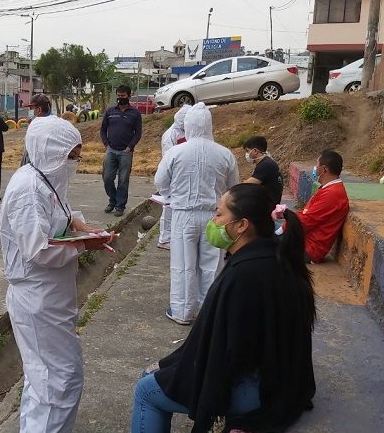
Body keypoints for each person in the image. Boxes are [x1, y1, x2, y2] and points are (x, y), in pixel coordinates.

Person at [131, 183, 317, 433]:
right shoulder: (276, 256)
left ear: (242, 225)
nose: (213, 221)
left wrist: (190, 381)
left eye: (219, 214)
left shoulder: (245, 275)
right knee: (157, 374)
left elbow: (226, 353)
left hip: (258, 389)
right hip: (283, 379)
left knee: (146, 390)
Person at [0, 115, 113, 433]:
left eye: (77, 156)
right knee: (59, 380)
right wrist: (84, 244)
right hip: (38, 295)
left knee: (44, 380)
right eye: (71, 157)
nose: (75, 163)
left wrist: (76, 223)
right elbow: (37, 250)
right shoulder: (28, 190)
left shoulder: (43, 177)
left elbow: (57, 209)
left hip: (50, 295)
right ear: (50, 151)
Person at [155, 102, 239, 325]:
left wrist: (171, 195)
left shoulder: (175, 151)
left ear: (188, 125)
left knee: (183, 264)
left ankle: (182, 311)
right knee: (212, 265)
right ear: (210, 125)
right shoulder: (225, 154)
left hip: (183, 213)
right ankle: (208, 313)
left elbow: (161, 181)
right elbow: (233, 187)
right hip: (215, 215)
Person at [297, 150, 350, 263]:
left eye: (317, 165)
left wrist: (282, 229)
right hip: (303, 241)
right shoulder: (328, 189)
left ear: (324, 168)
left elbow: (307, 220)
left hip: (308, 248)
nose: (315, 168)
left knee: (260, 238)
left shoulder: (332, 194)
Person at [101, 85, 142, 217]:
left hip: (126, 152)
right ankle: (112, 201)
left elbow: (138, 133)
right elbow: (103, 130)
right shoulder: (110, 111)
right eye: (118, 95)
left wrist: (130, 147)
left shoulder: (135, 113)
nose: (120, 98)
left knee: (123, 180)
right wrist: (106, 145)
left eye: (123, 95)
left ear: (129, 96)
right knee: (107, 178)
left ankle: (120, 206)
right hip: (111, 150)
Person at [157, 104, 192, 250]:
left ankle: (175, 236)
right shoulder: (170, 135)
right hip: (173, 176)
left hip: (184, 176)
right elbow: (168, 159)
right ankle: (164, 238)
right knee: (169, 206)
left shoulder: (187, 132)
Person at [243, 136, 283, 204]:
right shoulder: (267, 162)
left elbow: (246, 186)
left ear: (255, 151)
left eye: (247, 151)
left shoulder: (265, 165)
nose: (246, 154)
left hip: (268, 207)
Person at [20, 93, 52, 167]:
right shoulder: (52, 122)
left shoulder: (40, 126)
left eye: (31, 108)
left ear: (39, 109)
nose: (30, 111)